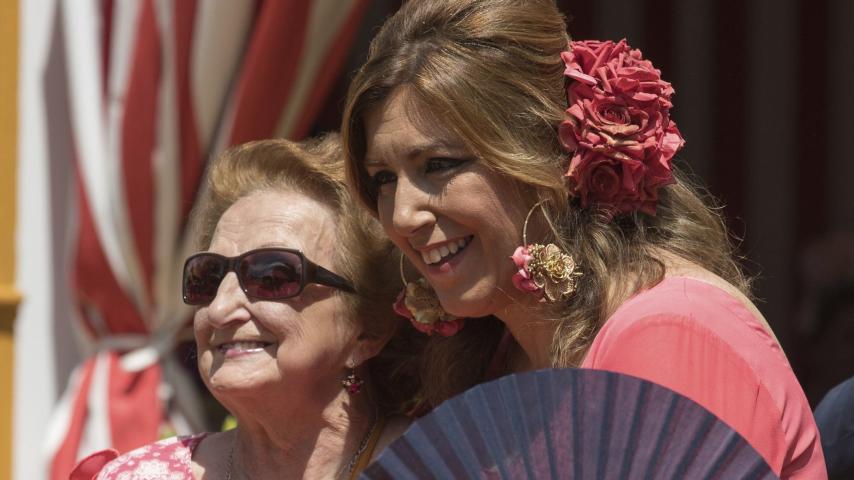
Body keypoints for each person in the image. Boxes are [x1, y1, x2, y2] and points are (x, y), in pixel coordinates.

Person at [340, 0, 826, 477]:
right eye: (383, 179)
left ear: (551, 156)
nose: (402, 215)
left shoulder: (668, 333)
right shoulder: (496, 353)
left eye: (439, 165)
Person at [72, 137, 415, 479]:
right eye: (207, 277)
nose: (220, 309)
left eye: (272, 275)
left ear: (369, 329)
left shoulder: (443, 463)